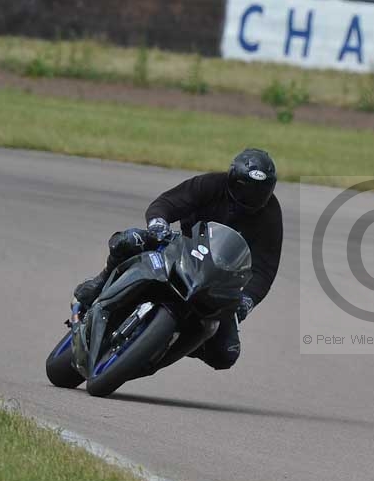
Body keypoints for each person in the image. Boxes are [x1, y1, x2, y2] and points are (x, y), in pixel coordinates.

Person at [73, 148, 283, 370]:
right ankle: (100, 282)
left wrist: (248, 300)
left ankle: (169, 343)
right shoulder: (211, 184)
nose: (250, 196)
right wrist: (158, 222)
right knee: (129, 240)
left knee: (226, 354)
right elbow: (170, 202)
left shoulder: (270, 214)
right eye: (245, 189)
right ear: (232, 177)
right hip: (182, 247)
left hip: (220, 278)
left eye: (260, 191)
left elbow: (265, 267)